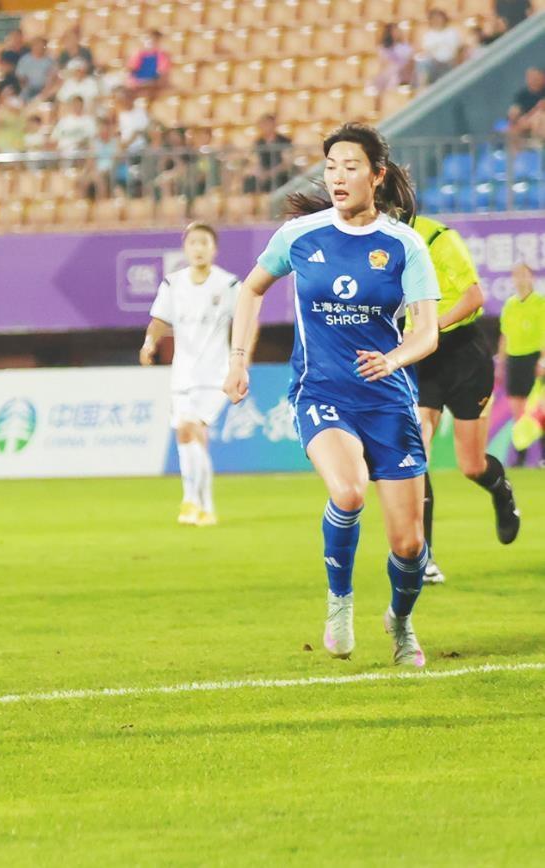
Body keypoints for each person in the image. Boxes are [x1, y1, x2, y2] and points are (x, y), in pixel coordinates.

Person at [223, 123, 440, 668]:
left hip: (387, 401)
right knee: (348, 491)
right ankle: (339, 603)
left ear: (377, 175)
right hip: (321, 392)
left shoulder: (404, 245)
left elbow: (427, 332)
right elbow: (250, 290)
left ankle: (401, 622)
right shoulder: (300, 235)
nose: (338, 178)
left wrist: (393, 359)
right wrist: (238, 359)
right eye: (330, 168)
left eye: (350, 167)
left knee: (410, 545)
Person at [405, 214, 520, 586]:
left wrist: (432, 326)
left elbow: (474, 297)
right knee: (417, 451)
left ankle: (501, 491)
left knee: (471, 465)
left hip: (464, 355)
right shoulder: (378, 242)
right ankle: (424, 557)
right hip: (423, 359)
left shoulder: (438, 237)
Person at [140, 222, 240, 527]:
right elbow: (159, 320)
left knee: (190, 428)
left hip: (215, 374)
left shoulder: (228, 284)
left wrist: (241, 357)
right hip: (183, 374)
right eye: (193, 243)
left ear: (214, 249)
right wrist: (149, 343)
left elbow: (246, 320)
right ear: (185, 248)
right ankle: (204, 506)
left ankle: (190, 499)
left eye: (204, 243)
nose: (198, 248)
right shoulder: (173, 284)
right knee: (190, 435)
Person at [499, 263, 545, 465]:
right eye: (517, 275)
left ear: (532, 278)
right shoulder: (510, 305)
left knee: (538, 409)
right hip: (514, 359)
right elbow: (504, 335)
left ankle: (543, 456)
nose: (520, 279)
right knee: (517, 410)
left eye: (524, 275)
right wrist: (501, 363)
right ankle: (520, 456)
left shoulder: (540, 303)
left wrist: (543, 360)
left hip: (534, 358)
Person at [242, 114, 292, 194]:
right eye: (263, 124)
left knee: (277, 180)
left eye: (268, 124)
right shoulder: (258, 142)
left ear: (274, 125)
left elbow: (287, 163)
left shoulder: (285, 141)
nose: (265, 127)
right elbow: (255, 161)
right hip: (264, 173)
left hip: (279, 173)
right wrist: (259, 172)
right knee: (250, 180)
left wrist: (270, 173)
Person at [416, 9, 464, 87]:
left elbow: (457, 51)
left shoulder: (452, 32)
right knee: (422, 62)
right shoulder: (428, 35)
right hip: (434, 64)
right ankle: (422, 88)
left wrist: (452, 60)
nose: (437, 20)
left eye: (439, 18)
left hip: (449, 63)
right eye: (434, 18)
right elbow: (427, 52)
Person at [372, 23, 415, 92]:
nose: (395, 33)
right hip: (390, 72)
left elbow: (410, 60)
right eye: (393, 31)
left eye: (397, 31)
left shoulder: (405, 46)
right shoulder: (383, 48)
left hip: (404, 71)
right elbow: (383, 63)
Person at [126, 30, 170, 95]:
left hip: (153, 85)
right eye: (147, 39)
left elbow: (162, 73)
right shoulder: (137, 55)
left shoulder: (162, 56)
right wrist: (133, 82)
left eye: (153, 40)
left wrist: (153, 82)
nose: (149, 42)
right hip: (137, 85)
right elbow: (130, 70)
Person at [507, 67, 545, 138]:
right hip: (526, 123)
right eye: (530, 78)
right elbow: (515, 111)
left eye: (536, 78)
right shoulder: (522, 95)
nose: (533, 80)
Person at [15, 36, 56, 102]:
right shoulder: (25, 60)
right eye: (37, 45)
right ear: (33, 46)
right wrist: (26, 87)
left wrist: (45, 90)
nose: (40, 48)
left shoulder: (50, 61)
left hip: (44, 89)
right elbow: (20, 76)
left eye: (43, 46)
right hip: (29, 89)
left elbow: (52, 77)